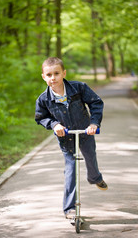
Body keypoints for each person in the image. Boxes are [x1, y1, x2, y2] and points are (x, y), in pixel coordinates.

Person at [35, 57, 108, 219]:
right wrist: (54, 125)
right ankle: (69, 208)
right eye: (49, 75)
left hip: (85, 131)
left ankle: (95, 178)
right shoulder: (43, 99)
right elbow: (41, 117)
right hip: (66, 138)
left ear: (64, 73)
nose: (53, 78)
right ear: (43, 77)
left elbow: (96, 102)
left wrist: (94, 123)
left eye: (56, 73)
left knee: (90, 157)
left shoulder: (78, 88)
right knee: (71, 169)